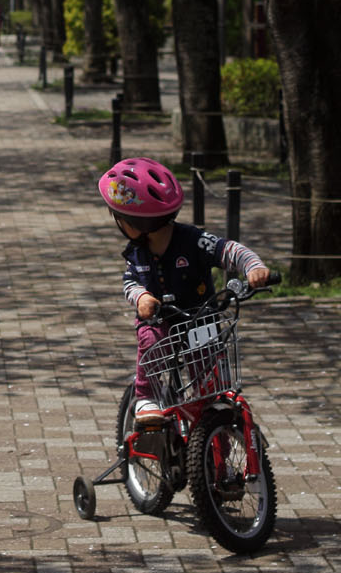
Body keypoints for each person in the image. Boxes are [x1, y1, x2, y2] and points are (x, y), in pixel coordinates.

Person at [98, 156, 271, 426]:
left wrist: (253, 266)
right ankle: (146, 398)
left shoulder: (192, 240)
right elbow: (130, 282)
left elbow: (228, 249)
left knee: (212, 392)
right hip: (160, 321)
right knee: (151, 339)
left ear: (133, 223)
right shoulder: (137, 253)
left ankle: (213, 448)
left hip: (201, 321)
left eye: (119, 218)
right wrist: (141, 297)